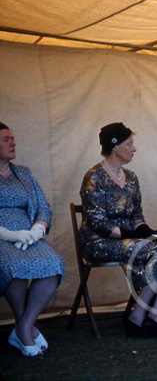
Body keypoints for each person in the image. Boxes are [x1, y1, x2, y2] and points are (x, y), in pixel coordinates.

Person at [79, 122, 157, 339]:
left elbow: (136, 216)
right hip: (99, 241)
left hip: (128, 240)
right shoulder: (94, 177)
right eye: (130, 144)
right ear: (114, 146)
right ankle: (140, 316)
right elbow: (97, 222)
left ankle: (156, 314)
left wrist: (149, 231)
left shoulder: (131, 177)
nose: (134, 149)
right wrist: (134, 235)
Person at [0, 122, 65, 356]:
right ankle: (26, 331)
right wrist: (8, 234)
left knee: (54, 264)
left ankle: (24, 326)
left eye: (12, 138)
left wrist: (37, 230)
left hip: (29, 236)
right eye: (6, 139)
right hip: (2, 237)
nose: (13, 143)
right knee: (13, 266)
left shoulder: (24, 173)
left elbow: (44, 207)